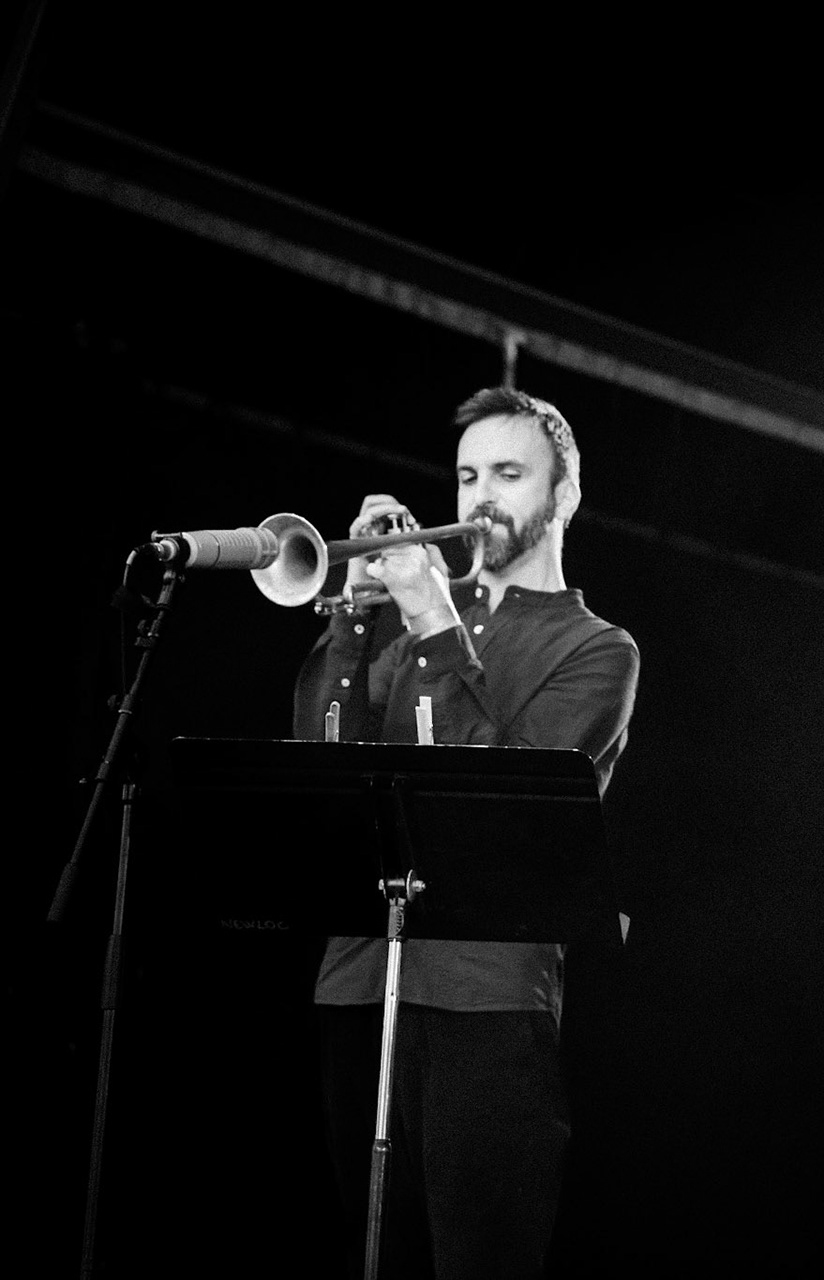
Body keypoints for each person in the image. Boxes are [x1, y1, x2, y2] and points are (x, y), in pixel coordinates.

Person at [293, 387, 640, 1279]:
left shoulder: (596, 649)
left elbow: (507, 795)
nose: (481, 495)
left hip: (486, 998)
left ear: (563, 496)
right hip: (359, 983)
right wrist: (354, 614)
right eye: (467, 475)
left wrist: (431, 620)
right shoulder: (408, 625)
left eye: (510, 473)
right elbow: (321, 766)